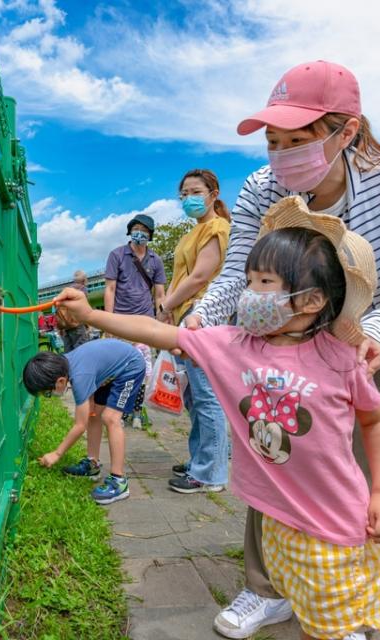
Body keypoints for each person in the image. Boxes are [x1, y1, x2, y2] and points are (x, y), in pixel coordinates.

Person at [57, 199, 380, 640]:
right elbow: (160, 332)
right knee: (305, 608)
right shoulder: (234, 344)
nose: (249, 295)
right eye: (249, 281)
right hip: (278, 522)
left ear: (312, 300)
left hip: (335, 525)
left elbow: (376, 422)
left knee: (330, 628)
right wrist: (89, 315)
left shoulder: (339, 358)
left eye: (264, 284)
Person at [185, 60, 380, 638]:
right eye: (273, 142)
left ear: (346, 132)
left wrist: (376, 333)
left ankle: (353, 601)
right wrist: (205, 316)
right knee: (271, 449)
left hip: (363, 346)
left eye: (297, 141)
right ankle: (267, 587)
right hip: (279, 342)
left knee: (360, 473)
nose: (280, 156)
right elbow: (236, 274)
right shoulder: (260, 189)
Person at [157, 169, 232, 493]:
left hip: (204, 316)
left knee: (206, 396)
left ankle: (210, 473)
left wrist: (166, 304)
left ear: (213, 193)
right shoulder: (193, 232)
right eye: (183, 194)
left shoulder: (217, 227)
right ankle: (202, 458)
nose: (188, 198)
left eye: (195, 191)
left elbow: (200, 276)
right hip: (186, 315)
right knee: (194, 396)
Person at [22, 338, 146, 505]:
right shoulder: (66, 363)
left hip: (130, 366)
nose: (49, 396)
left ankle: (119, 481)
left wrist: (57, 454)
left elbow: (80, 426)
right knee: (94, 414)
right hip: (110, 369)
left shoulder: (79, 376)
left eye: (48, 393)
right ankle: (92, 463)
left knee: (110, 418)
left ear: (60, 381)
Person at [105, 214, 167, 428]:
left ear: (150, 235)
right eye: (136, 228)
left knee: (143, 370)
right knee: (120, 368)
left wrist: (161, 324)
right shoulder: (117, 255)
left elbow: (160, 294)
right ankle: (119, 410)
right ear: (130, 231)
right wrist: (108, 321)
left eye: (144, 229)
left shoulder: (155, 260)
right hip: (121, 321)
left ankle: (137, 411)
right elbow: (110, 289)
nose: (139, 232)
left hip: (145, 322)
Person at [59, 270, 91, 352]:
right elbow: (84, 310)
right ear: (84, 280)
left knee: (68, 352)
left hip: (66, 326)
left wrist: (61, 328)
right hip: (78, 324)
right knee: (81, 351)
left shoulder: (66, 290)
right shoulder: (83, 290)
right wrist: (88, 325)